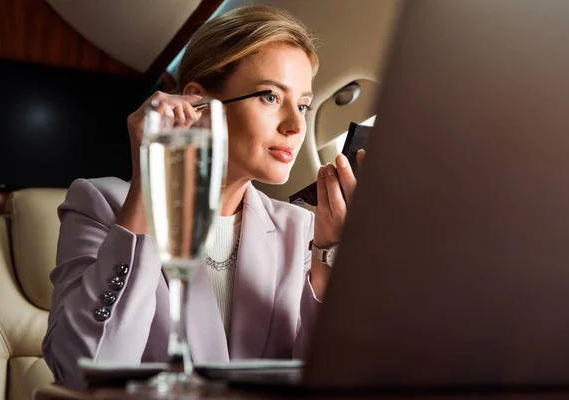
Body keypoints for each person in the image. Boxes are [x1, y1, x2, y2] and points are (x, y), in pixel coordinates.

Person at [42, 4, 365, 388]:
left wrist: (329, 255)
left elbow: (325, 380)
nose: (296, 126)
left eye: (302, 105)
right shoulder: (100, 203)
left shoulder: (302, 229)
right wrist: (151, 180)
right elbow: (79, 367)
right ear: (199, 103)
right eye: (270, 97)